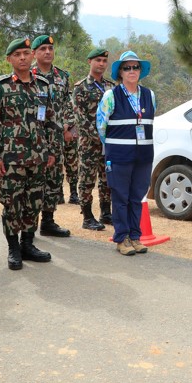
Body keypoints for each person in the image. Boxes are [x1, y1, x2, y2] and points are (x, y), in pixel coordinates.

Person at [0, 37, 57, 270]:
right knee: (12, 204)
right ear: (9, 59)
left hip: (38, 157)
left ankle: (28, 244)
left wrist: (52, 151)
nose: (23, 57)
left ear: (32, 55)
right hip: (11, 160)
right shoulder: (0, 87)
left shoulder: (43, 86)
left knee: (34, 203)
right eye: (18, 54)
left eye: (26, 53)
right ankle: (13, 248)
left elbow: (51, 122)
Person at [96, 50, 156, 256]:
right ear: (120, 72)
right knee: (120, 196)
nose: (132, 71)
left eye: (135, 67)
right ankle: (121, 238)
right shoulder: (110, 96)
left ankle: (135, 237)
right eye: (127, 68)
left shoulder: (150, 95)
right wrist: (114, 148)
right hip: (120, 156)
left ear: (141, 71)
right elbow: (101, 127)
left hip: (143, 157)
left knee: (136, 197)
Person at [31, 35, 72, 238]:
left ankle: (48, 221)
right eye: (43, 49)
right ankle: (30, 224)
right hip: (33, 138)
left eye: (50, 48)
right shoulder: (27, 75)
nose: (48, 52)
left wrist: (69, 130)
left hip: (56, 138)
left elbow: (68, 106)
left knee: (54, 180)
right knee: (34, 180)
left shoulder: (62, 76)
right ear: (35, 53)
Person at [72, 48, 115, 231]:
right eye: (98, 60)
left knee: (107, 179)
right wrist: (98, 137)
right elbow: (79, 118)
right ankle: (87, 217)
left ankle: (106, 213)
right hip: (89, 143)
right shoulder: (80, 87)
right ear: (89, 61)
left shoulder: (111, 87)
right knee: (87, 179)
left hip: (109, 143)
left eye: (104, 61)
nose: (101, 64)